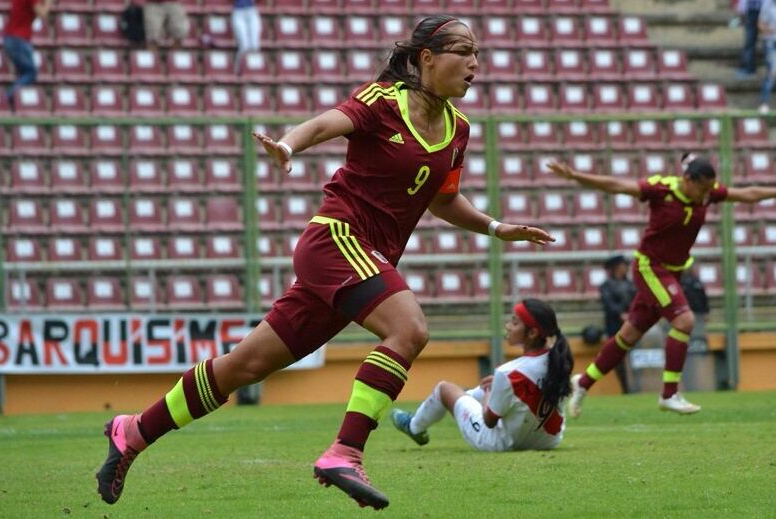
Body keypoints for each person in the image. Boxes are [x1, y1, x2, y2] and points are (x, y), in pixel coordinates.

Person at [95, 16, 553, 511]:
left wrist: (495, 227)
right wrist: (288, 146)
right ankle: (345, 452)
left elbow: (442, 200)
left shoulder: (458, 129)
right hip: (336, 239)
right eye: (463, 52)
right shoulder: (382, 100)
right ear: (426, 57)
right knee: (410, 329)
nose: (474, 64)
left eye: (478, 54)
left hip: (361, 260)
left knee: (243, 366)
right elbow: (323, 125)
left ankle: (133, 431)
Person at [547, 153, 776, 417]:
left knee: (628, 336)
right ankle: (669, 393)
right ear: (687, 179)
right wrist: (575, 176)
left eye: (709, 190)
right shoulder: (661, 190)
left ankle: (582, 383)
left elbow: (748, 193)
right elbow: (617, 185)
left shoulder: (708, 193)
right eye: (701, 188)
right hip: (650, 267)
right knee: (684, 321)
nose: (705, 195)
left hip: (673, 273)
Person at [390, 298, 573, 452]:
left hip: (502, 443)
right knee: (475, 392)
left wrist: (488, 395)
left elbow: (490, 421)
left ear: (532, 333)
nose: (508, 326)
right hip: (549, 441)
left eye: (515, 322)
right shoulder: (560, 360)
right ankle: (463, 397)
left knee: (445, 389)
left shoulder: (508, 372)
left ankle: (414, 427)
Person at [3, 0, 53, 108]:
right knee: (30, 72)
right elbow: (43, 13)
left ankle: (16, 104)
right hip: (18, 39)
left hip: (11, 37)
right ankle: (8, 99)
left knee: (24, 73)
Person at [599, 254, 635, 394]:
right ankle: (626, 388)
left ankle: (634, 386)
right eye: (623, 265)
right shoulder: (606, 286)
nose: (626, 268)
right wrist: (621, 314)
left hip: (632, 325)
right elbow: (609, 305)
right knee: (618, 357)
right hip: (615, 326)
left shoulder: (631, 285)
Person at [735, 0, 766, 79]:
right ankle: (748, 67)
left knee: (751, 42)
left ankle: (749, 67)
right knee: (749, 43)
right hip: (753, 11)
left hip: (761, 11)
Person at [232, 0, 261, 70]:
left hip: (251, 11)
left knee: (255, 45)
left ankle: (254, 69)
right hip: (238, 11)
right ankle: (239, 70)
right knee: (244, 45)